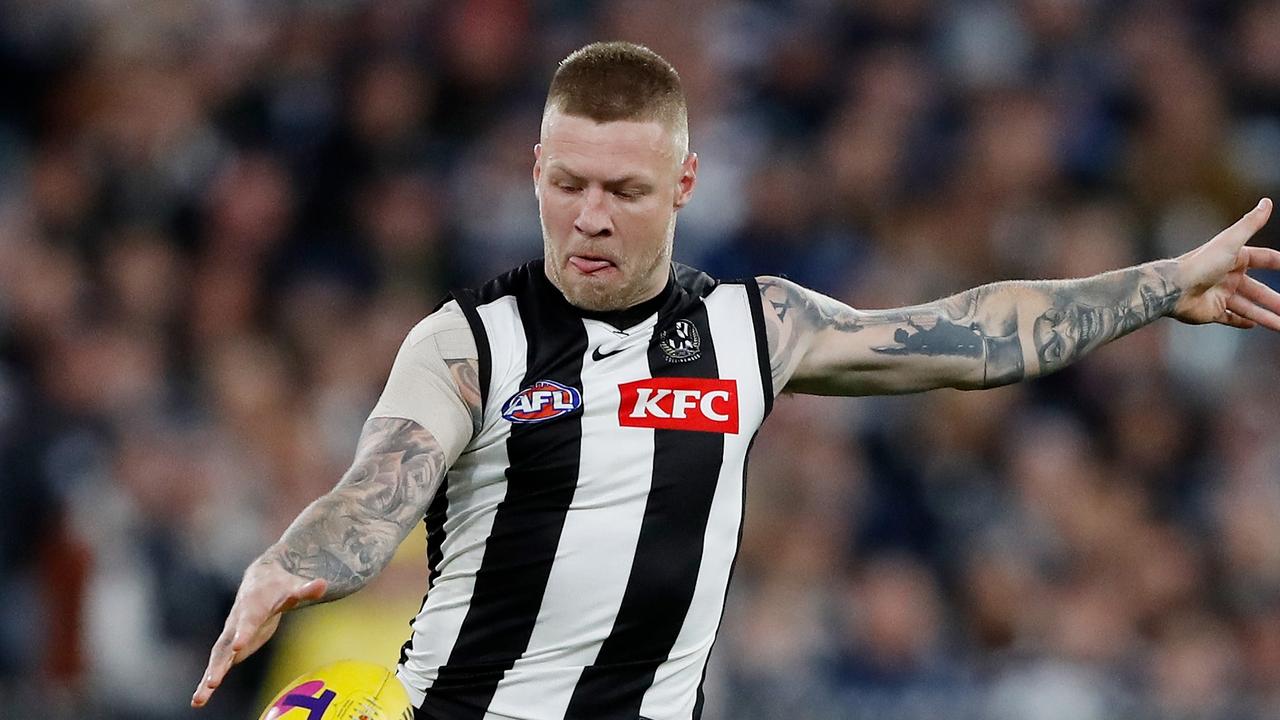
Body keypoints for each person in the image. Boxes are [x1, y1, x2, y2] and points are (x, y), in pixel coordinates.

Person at [191, 41, 1280, 720]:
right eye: (564, 182)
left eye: (623, 187)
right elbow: (384, 480)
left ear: (685, 182)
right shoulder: (466, 343)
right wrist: (297, 559)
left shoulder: (754, 326)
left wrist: (1154, 286)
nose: (589, 216)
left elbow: (965, 336)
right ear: (533, 171)